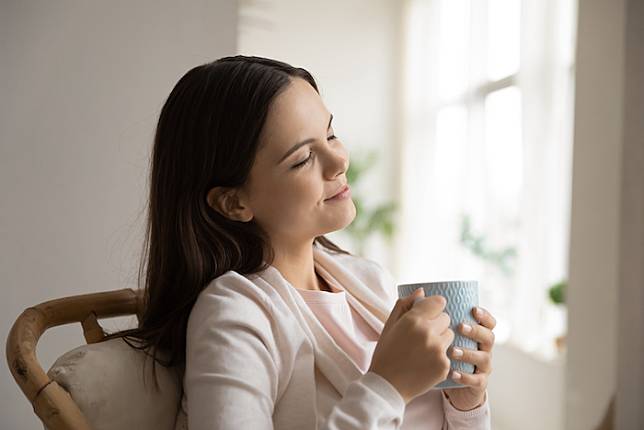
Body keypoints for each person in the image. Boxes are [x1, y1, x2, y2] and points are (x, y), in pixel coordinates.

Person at [108, 55, 495, 429]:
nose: (339, 161)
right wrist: (387, 386)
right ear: (233, 201)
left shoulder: (368, 281)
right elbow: (386, 394)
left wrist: (465, 406)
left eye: (330, 134)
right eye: (303, 157)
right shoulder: (235, 316)